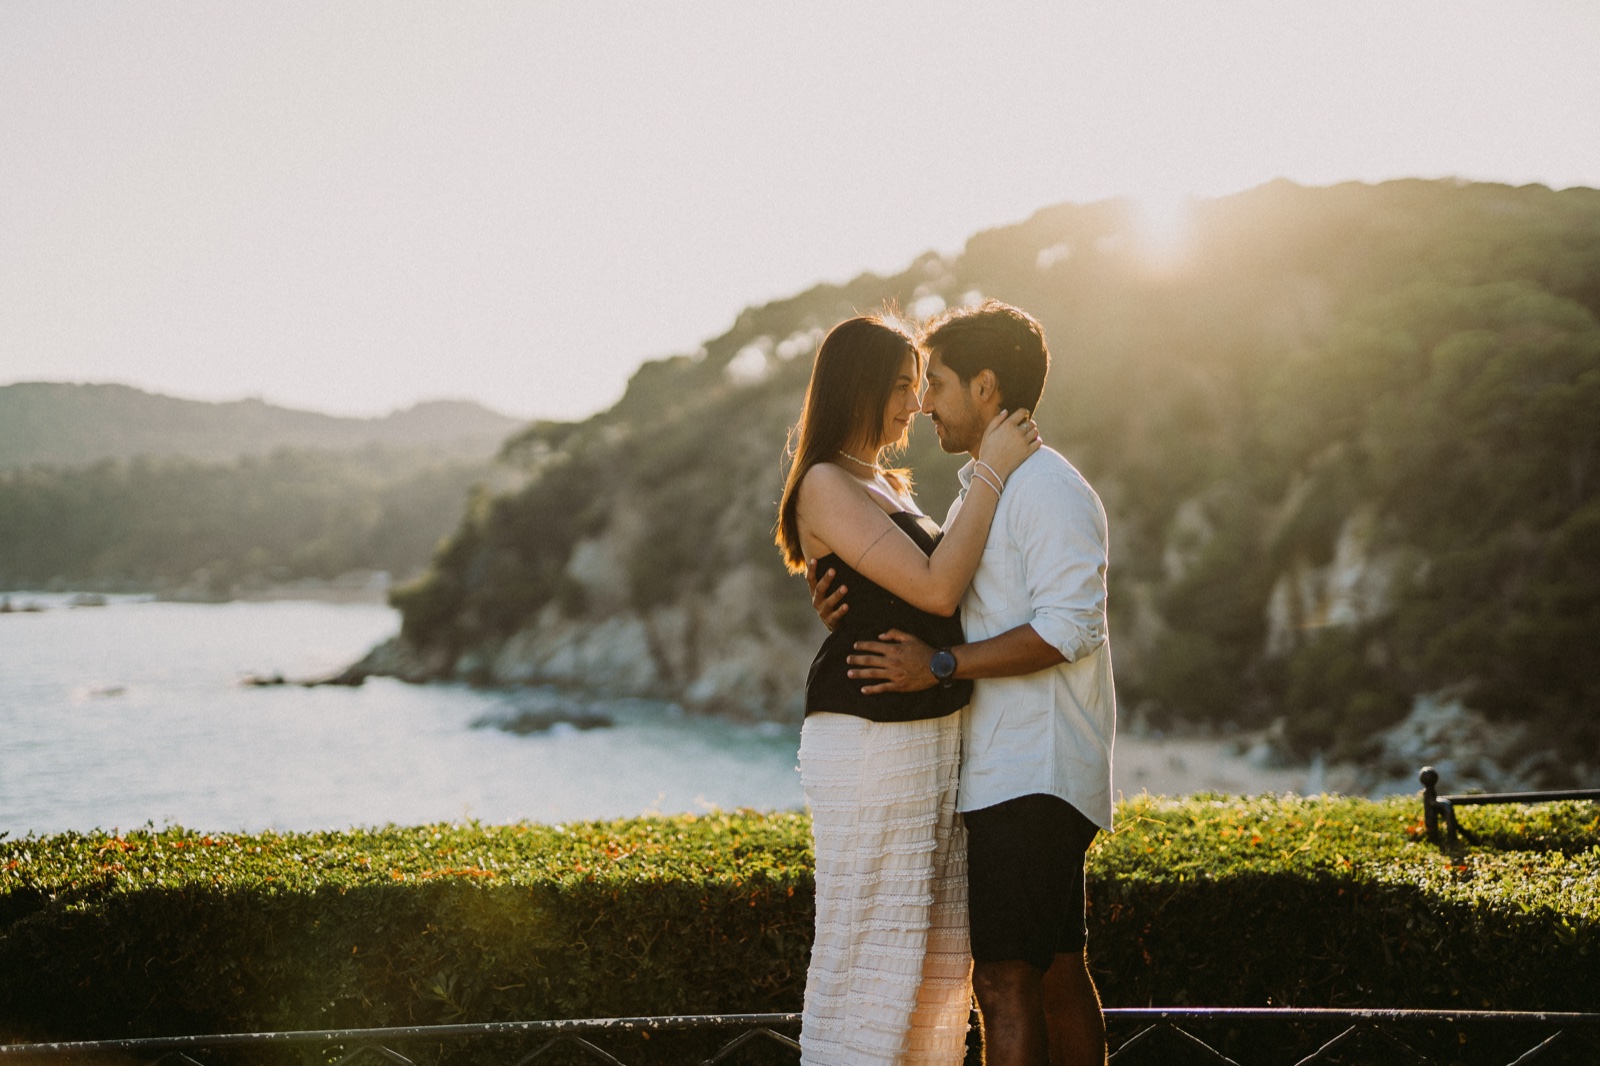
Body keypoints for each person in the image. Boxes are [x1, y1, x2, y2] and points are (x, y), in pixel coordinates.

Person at [811, 301, 1116, 1066]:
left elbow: (1067, 629)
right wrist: (843, 603)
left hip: (1032, 770)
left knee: (1009, 980)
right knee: (1049, 973)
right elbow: (931, 589)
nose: (923, 403)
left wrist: (941, 667)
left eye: (935, 382)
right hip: (1004, 768)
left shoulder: (1043, 487)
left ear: (985, 388)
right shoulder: (986, 488)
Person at [776, 313, 1041, 1066]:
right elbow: (933, 585)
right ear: (857, 386)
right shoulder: (826, 480)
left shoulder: (883, 482)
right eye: (899, 386)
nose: (914, 403)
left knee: (929, 957)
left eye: (918, 385)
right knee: (869, 946)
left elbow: (906, 590)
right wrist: (991, 469)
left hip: (924, 733)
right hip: (869, 735)